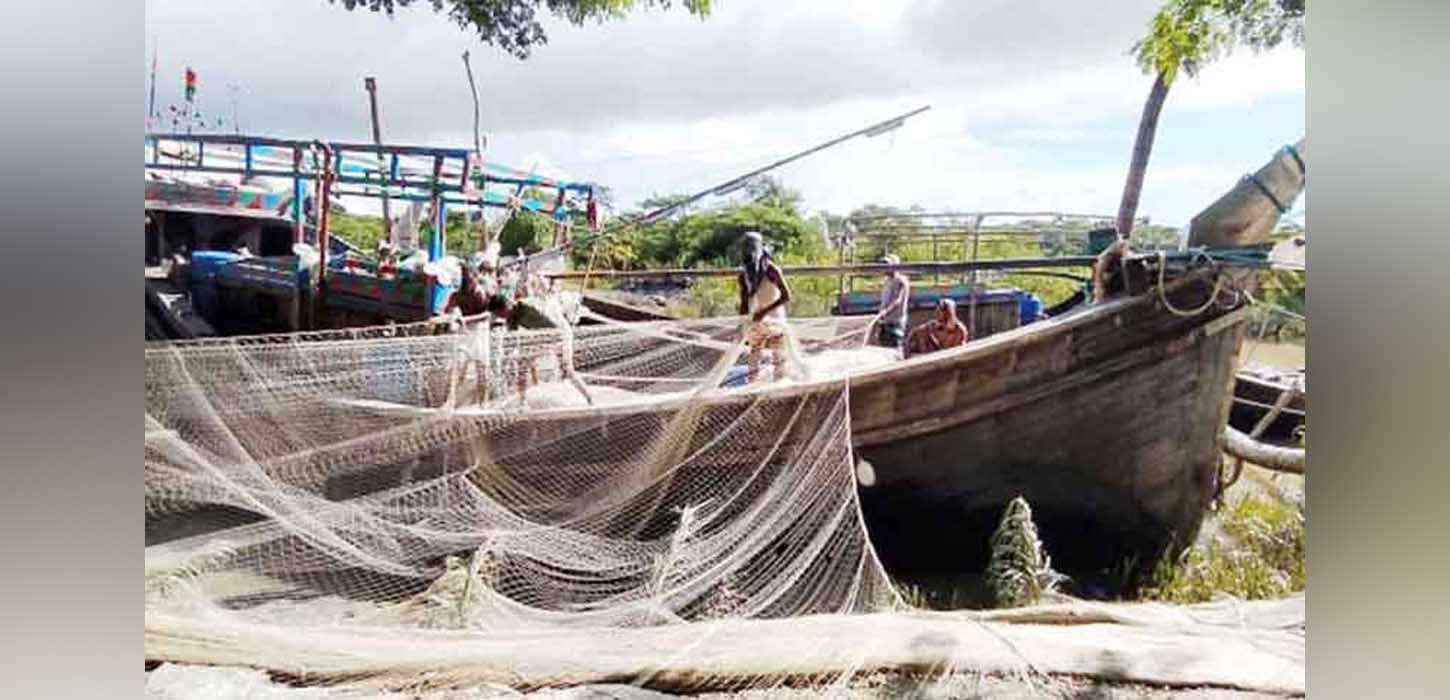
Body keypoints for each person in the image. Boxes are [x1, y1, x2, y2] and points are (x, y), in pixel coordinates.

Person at [737, 231, 793, 383]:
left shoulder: (771, 270)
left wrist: (764, 312)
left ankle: (779, 386)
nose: (749, 254)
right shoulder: (744, 275)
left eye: (752, 248)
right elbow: (744, 302)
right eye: (745, 249)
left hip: (775, 319)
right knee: (754, 354)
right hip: (757, 320)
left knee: (778, 356)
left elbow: (786, 296)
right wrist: (742, 323)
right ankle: (752, 385)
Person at [905, 298, 970, 359]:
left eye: (940, 312)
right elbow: (915, 334)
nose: (937, 314)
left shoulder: (959, 330)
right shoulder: (929, 328)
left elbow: (960, 351)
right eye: (937, 311)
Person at [872, 255, 910, 350]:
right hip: (885, 321)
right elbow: (884, 301)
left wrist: (885, 311)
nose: (884, 269)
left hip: (896, 321)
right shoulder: (887, 281)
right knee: (883, 347)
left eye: (887, 265)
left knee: (895, 346)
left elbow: (898, 300)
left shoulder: (901, 281)